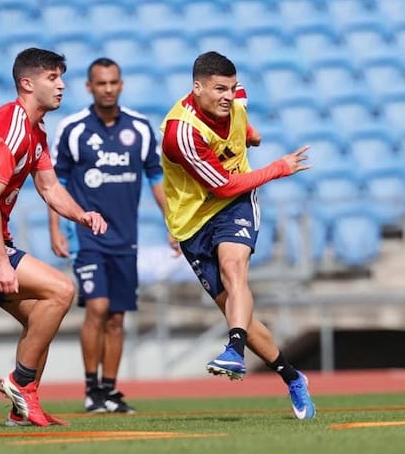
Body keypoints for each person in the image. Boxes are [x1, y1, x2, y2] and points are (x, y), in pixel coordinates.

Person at [0, 48, 108, 427]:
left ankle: (22, 410)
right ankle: (19, 383)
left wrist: (82, 214)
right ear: (27, 83)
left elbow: (49, 188)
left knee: (40, 318)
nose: (62, 85)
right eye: (53, 78)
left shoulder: (35, 130)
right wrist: (1, 261)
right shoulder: (12, 126)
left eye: (61, 77)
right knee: (62, 291)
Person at [159, 51, 316, 419]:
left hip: (235, 206)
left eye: (231, 87)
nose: (228, 96)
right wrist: (279, 167)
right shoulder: (181, 134)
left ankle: (234, 350)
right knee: (235, 309)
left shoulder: (234, 97)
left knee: (235, 269)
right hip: (194, 220)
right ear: (196, 88)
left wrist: (250, 133)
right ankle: (292, 377)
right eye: (219, 89)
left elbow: (241, 121)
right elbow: (224, 185)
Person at [48, 57, 180, 414]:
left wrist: (173, 224)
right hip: (87, 237)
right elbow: (55, 182)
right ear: (89, 87)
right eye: (100, 83)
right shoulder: (73, 129)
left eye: (113, 82)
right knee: (98, 307)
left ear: (121, 85)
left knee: (118, 317)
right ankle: (91, 390)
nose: (107, 89)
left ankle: (109, 390)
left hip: (126, 238)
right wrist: (56, 228)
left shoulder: (139, 128)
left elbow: (156, 178)